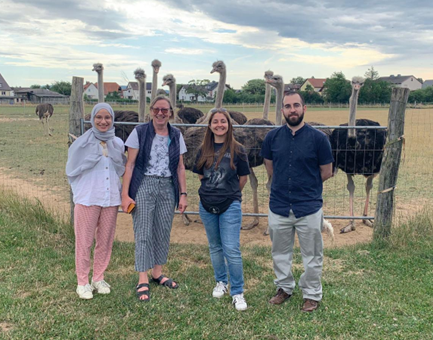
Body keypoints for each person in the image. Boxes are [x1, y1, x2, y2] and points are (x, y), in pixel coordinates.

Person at [261, 91, 333, 312]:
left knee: (312, 254)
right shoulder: (272, 138)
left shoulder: (319, 139)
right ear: (282, 110)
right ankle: (284, 287)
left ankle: (311, 293)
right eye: (288, 106)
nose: (292, 110)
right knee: (280, 252)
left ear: (304, 108)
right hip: (279, 205)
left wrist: (305, 186)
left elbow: (327, 171)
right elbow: (270, 168)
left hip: (308, 207)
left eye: (296, 105)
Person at [121, 95, 187, 302]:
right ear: (151, 111)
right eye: (157, 109)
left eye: (165, 110)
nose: (160, 113)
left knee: (162, 229)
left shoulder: (176, 135)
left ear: (170, 113)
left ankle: (157, 272)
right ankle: (142, 277)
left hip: (168, 186)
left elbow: (180, 167)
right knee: (143, 230)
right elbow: (130, 164)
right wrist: (125, 194)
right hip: (145, 185)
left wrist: (183, 194)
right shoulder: (139, 132)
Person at [66, 103, 126, 299]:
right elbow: (72, 171)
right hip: (88, 197)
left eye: (107, 117)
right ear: (92, 119)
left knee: (105, 240)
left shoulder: (117, 143)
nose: (103, 121)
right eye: (99, 117)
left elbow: (121, 169)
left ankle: (98, 277)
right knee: (84, 241)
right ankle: (82, 281)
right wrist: (80, 193)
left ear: (112, 119)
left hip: (110, 198)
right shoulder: (81, 143)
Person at [193, 108, 250, 311]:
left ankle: (237, 291)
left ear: (229, 125)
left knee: (232, 249)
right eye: (215, 121)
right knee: (215, 247)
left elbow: (243, 178)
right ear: (209, 125)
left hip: (230, 205)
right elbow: (201, 175)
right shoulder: (203, 150)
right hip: (207, 205)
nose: (219, 125)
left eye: (223, 121)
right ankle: (221, 281)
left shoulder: (238, 150)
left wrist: (229, 193)